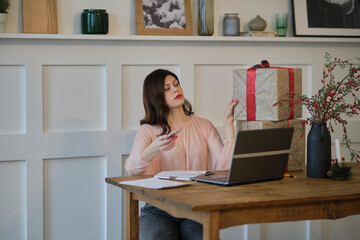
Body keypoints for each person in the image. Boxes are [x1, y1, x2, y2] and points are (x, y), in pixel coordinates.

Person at [125, 69, 238, 240]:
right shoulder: (148, 130)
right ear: (155, 96)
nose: (175, 90)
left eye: (176, 85)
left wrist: (228, 126)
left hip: (196, 206)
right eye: (167, 88)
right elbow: (132, 170)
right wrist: (155, 147)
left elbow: (224, 169)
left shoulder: (204, 125)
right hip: (157, 208)